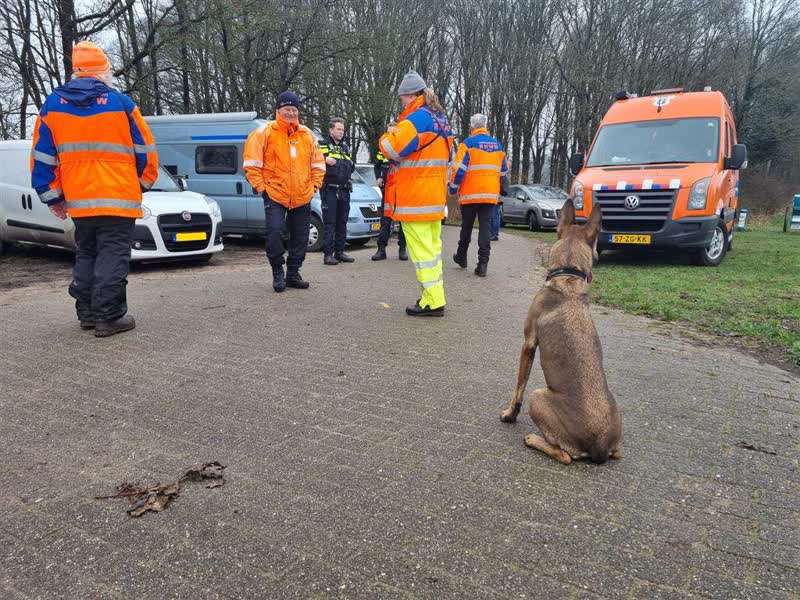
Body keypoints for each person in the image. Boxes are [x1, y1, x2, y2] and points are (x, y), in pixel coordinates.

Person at [30, 40, 158, 337]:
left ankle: (87, 314)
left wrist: (53, 196)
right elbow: (147, 149)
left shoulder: (51, 105)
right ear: (102, 72)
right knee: (113, 255)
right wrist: (141, 183)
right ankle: (109, 317)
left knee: (87, 253)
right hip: (118, 197)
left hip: (80, 200)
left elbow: (42, 156)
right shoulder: (121, 103)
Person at [379, 71, 453, 317]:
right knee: (432, 252)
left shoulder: (416, 119)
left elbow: (391, 147)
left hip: (415, 197)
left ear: (409, 96)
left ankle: (432, 302)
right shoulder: (441, 119)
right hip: (433, 198)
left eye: (401, 98)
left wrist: (386, 136)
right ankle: (433, 296)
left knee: (422, 254)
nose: (401, 102)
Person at [243, 91, 325, 292]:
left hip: (302, 193)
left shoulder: (307, 135)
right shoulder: (263, 133)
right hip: (275, 194)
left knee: (300, 235)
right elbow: (251, 165)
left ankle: (293, 272)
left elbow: (318, 165)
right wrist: (263, 188)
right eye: (287, 109)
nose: (290, 113)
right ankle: (277, 271)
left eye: (294, 109)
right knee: (276, 232)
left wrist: (314, 186)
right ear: (278, 110)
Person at [449, 113, 508, 276]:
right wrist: (500, 187)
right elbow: (503, 172)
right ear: (485, 126)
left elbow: (459, 169)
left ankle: (461, 257)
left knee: (466, 227)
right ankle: (483, 265)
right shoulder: (498, 146)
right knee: (485, 229)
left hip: (470, 194)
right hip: (490, 195)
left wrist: (453, 188)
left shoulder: (467, 144)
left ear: (472, 127)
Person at [318, 117, 355, 265]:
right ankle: (328, 254)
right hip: (330, 189)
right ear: (331, 130)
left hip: (344, 189)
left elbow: (351, 166)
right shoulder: (323, 145)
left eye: (343, 129)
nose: (341, 132)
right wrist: (324, 159)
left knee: (342, 222)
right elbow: (312, 159)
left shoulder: (345, 147)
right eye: (338, 129)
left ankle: (340, 252)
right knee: (330, 223)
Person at [371, 146, 408, 261]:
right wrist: (378, 177)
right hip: (388, 189)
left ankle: (402, 249)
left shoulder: (405, 146)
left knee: (403, 222)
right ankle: (381, 249)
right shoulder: (383, 149)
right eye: (389, 126)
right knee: (385, 220)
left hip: (402, 189)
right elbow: (377, 166)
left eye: (393, 126)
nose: (391, 128)